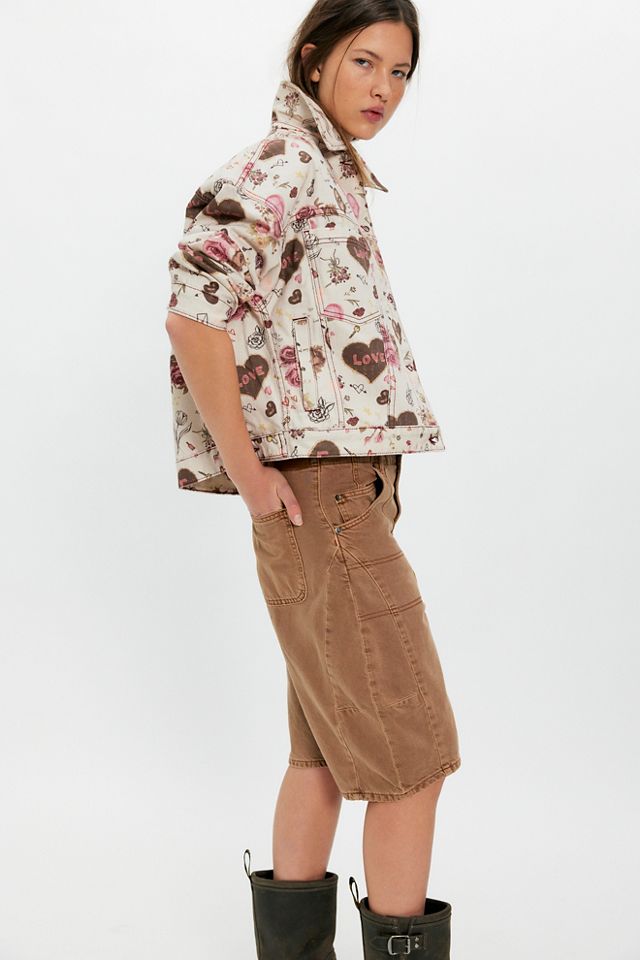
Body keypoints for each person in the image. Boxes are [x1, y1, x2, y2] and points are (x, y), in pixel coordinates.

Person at [165, 2, 461, 957]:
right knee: (413, 759)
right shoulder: (287, 164)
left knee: (325, 753)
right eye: (365, 62)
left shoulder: (329, 173)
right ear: (312, 57)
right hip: (325, 501)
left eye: (400, 72)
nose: (384, 89)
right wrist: (247, 472)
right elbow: (192, 312)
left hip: (333, 499)